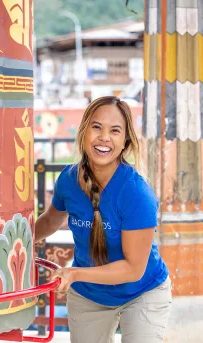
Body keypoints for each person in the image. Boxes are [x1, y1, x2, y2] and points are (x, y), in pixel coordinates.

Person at [35, 96, 172, 343]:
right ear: (84, 131)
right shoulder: (68, 180)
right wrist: (15, 242)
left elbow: (133, 269)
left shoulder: (136, 194)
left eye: (115, 131)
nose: (104, 137)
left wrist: (74, 274)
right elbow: (49, 222)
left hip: (142, 291)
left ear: (125, 142)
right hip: (89, 295)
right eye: (96, 127)